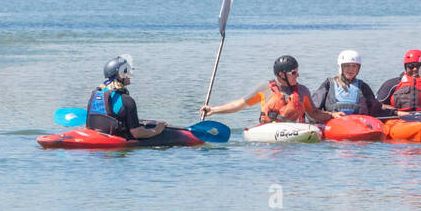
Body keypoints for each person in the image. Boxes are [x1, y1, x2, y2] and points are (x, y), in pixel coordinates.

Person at [200, 55, 333, 124]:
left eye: (297, 71)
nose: (297, 75)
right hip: (270, 133)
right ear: (282, 74)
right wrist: (214, 110)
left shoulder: (303, 91)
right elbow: (239, 104)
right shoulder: (265, 89)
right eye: (293, 72)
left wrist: (332, 115)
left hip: (297, 133)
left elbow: (314, 113)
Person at [87, 56, 167, 140]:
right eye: (128, 71)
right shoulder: (127, 100)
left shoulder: (95, 95)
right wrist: (156, 130)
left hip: (98, 135)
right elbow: (137, 133)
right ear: (120, 75)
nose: (130, 75)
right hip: (116, 142)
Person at [310, 50, 385, 117]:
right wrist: (331, 115)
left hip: (359, 124)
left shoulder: (363, 86)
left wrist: (394, 112)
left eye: (354, 66)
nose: (351, 69)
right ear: (340, 67)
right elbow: (313, 110)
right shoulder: (329, 85)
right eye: (347, 66)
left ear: (358, 68)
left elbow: (376, 109)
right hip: (335, 124)